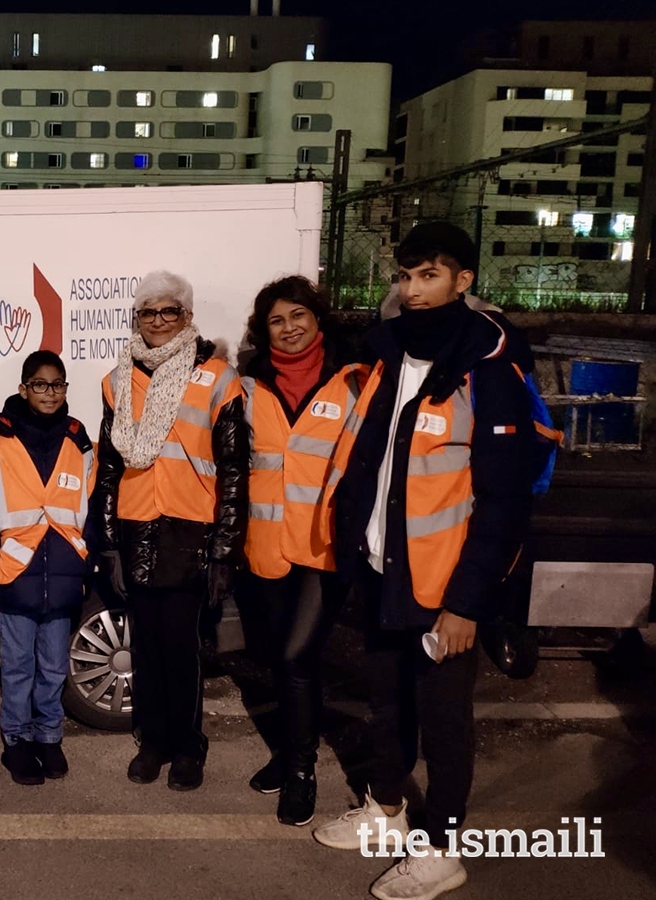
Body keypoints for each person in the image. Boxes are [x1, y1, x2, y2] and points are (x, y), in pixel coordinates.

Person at [312, 222, 536, 900]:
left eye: (428, 276)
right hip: (384, 574)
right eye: (405, 276)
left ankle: (442, 849)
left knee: (443, 720)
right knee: (387, 703)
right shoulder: (386, 355)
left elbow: (503, 500)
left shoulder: (489, 368)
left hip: (446, 591)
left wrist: (468, 602)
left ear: (463, 280)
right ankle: (387, 808)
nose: (412, 290)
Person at [96, 270, 248, 791]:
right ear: (135, 318)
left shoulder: (218, 377)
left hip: (191, 533)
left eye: (170, 311)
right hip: (137, 529)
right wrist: (109, 542)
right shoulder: (116, 379)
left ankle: (188, 746)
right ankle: (154, 741)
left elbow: (233, 471)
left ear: (187, 316)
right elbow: (109, 469)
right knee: (147, 649)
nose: (158, 320)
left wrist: (225, 551)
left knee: (183, 650)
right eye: (148, 312)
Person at [237, 276, 365, 826]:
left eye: (298, 316)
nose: (289, 329)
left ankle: (302, 770)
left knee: (296, 657)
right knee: (272, 657)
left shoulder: (355, 380)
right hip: (265, 545)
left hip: (322, 547)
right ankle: (289, 750)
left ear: (317, 318)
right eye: (276, 321)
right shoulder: (248, 386)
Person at [0, 350, 96, 786]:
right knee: (18, 667)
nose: (50, 392)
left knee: (52, 667)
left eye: (58, 384)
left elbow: (92, 509)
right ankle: (16, 741)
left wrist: (86, 560)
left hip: (64, 575)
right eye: (40, 384)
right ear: (24, 388)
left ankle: (48, 736)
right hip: (15, 574)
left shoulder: (79, 444)